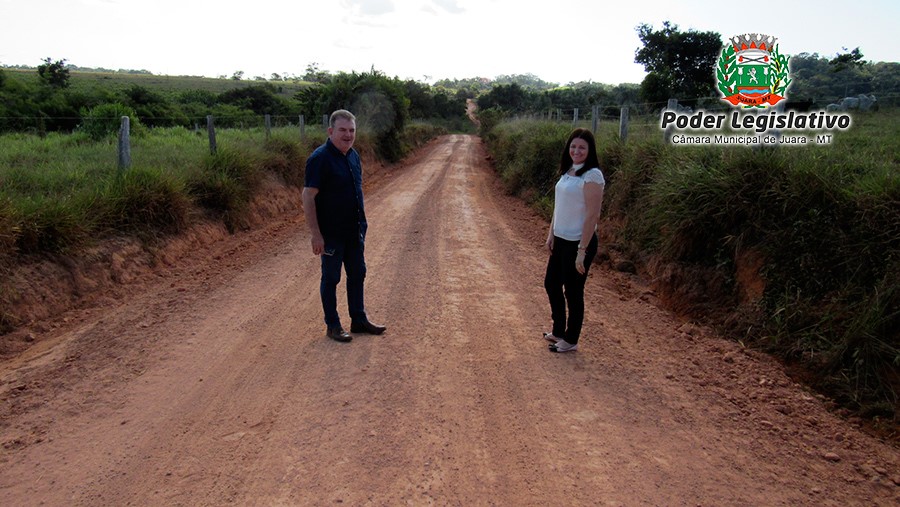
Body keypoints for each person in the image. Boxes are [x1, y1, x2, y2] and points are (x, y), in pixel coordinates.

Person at [302, 109, 386, 342]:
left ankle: (358, 320)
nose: (348, 135)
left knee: (358, 273)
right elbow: (308, 196)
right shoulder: (320, 159)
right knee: (331, 278)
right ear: (330, 131)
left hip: (354, 230)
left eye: (352, 130)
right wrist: (316, 234)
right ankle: (333, 325)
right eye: (342, 130)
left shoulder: (353, 155)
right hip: (331, 233)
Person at [543, 128, 605, 353]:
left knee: (573, 291)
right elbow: (559, 207)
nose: (576, 151)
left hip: (579, 242)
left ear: (590, 151)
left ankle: (571, 339)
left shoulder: (593, 176)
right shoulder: (568, 171)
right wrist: (551, 234)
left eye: (581, 147)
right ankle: (558, 330)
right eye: (573, 146)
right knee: (551, 283)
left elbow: (592, 215)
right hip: (560, 239)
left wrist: (582, 250)